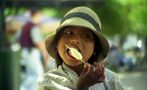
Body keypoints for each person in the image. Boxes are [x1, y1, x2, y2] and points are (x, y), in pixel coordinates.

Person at [37, 6, 124, 90]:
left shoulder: (110, 80)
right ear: (57, 43)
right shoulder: (47, 82)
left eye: (86, 35)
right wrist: (82, 87)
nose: (75, 40)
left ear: (95, 49)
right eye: (69, 32)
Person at [17, 8, 49, 90]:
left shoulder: (24, 26)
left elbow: (16, 39)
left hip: (24, 52)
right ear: (37, 14)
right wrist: (45, 52)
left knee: (29, 74)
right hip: (32, 53)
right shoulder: (34, 27)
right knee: (37, 74)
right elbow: (37, 41)